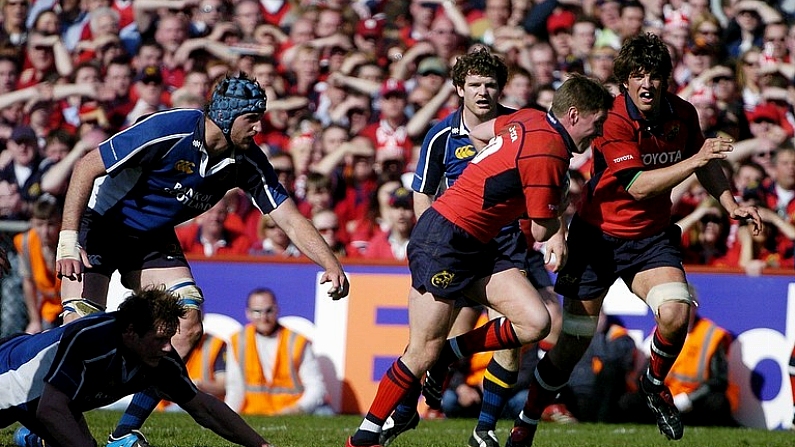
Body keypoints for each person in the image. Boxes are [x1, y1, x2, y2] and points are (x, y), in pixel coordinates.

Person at [54, 73, 349, 447]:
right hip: (99, 225)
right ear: (226, 117)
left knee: (189, 322)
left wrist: (330, 262)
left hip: (150, 238)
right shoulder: (169, 128)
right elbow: (85, 167)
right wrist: (67, 240)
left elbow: (287, 216)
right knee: (82, 332)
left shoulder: (246, 159)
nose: (260, 127)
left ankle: (123, 433)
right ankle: (43, 423)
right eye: (252, 118)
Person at [504, 33, 763, 447]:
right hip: (598, 240)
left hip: (651, 239)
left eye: (655, 76)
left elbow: (706, 163)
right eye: (638, 75)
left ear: (667, 80)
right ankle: (527, 421)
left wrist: (731, 202)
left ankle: (654, 381)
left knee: (677, 313)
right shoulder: (613, 119)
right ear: (625, 80)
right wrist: (696, 160)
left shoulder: (683, 114)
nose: (646, 84)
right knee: (571, 345)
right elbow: (638, 186)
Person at [345, 73, 614, 447]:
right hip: (446, 239)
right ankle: (365, 435)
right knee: (423, 349)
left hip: (480, 242)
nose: (597, 133)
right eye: (596, 123)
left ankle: (450, 359)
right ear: (573, 115)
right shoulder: (548, 151)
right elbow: (539, 232)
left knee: (534, 321)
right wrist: (559, 210)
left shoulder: (530, 117)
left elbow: (485, 130)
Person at [382, 47, 562, 447]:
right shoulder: (442, 135)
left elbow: (548, 182)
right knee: (427, 340)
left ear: (501, 88)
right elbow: (422, 195)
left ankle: (484, 428)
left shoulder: (519, 127)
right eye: (475, 85)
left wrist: (556, 232)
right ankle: (407, 409)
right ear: (459, 88)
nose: (483, 92)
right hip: (454, 246)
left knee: (514, 339)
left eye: (491, 85)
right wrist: (433, 241)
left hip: (503, 248)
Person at [4, 287, 275, 447]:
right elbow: (50, 408)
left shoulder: (158, 355)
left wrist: (261, 445)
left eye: (169, 337)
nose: (169, 348)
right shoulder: (93, 340)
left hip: (43, 399)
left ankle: (34, 438)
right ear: (131, 332)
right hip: (8, 377)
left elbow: (203, 407)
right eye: (159, 338)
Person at [225, 288, 332, 416]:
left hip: (293, 409)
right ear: (248, 313)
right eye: (257, 312)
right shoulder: (238, 341)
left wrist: (297, 409)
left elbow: (316, 387)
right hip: (255, 412)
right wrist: (228, 417)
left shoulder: (297, 341)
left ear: (277, 310)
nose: (263, 317)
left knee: (325, 413)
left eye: (269, 311)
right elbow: (235, 387)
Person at [13, 194, 63, 334]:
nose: (45, 232)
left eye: (51, 224)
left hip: (70, 305)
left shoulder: (69, 241)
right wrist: (34, 321)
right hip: (48, 309)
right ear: (32, 222)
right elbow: (28, 282)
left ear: (60, 222)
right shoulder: (25, 243)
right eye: (40, 225)